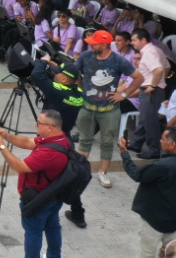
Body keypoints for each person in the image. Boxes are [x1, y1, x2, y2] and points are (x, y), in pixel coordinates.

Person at [0, 110, 70, 258]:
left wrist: (1, 146)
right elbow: (28, 142)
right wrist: (6, 136)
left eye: (39, 123)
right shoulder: (60, 139)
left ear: (49, 126)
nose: (35, 125)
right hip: (54, 195)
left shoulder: (49, 152)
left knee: (33, 232)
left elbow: (19, 166)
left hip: (39, 199)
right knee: (52, 225)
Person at [74, 29, 145, 189]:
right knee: (85, 140)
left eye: (94, 43)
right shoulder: (86, 56)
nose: (90, 45)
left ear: (104, 44)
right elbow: (74, 72)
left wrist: (124, 94)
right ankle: (78, 171)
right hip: (87, 108)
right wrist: (80, 86)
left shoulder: (118, 60)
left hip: (109, 110)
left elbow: (139, 78)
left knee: (107, 142)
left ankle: (103, 173)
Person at [118, 127, 176, 258]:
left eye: (162, 139)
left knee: (146, 256)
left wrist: (124, 153)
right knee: (170, 256)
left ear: (172, 144)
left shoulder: (162, 166)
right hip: (173, 223)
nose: (160, 141)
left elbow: (137, 174)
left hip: (154, 220)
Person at [129, 28, 171, 160]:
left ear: (143, 40)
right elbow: (167, 66)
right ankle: (136, 143)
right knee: (144, 118)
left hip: (151, 90)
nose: (132, 42)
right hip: (153, 89)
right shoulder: (156, 50)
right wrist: (159, 81)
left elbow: (159, 69)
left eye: (134, 40)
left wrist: (153, 84)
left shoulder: (148, 52)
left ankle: (153, 149)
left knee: (150, 121)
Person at [29, 57, 84, 137]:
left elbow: (36, 74)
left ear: (64, 79)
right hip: (65, 136)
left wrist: (44, 61)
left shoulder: (56, 91)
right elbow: (75, 82)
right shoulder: (80, 94)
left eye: (57, 73)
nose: (54, 74)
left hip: (49, 135)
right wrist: (60, 69)